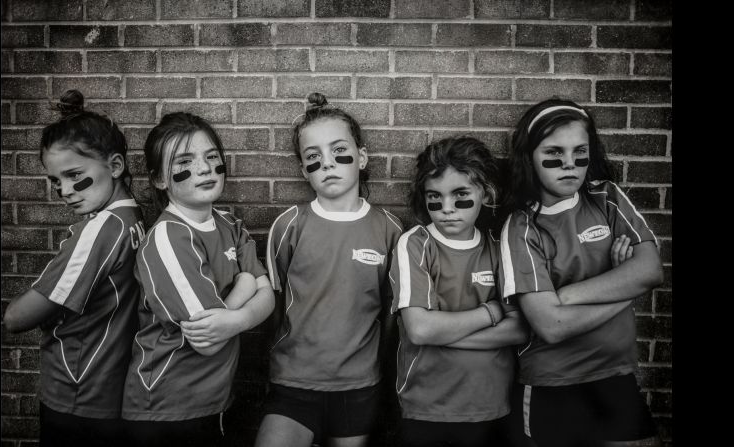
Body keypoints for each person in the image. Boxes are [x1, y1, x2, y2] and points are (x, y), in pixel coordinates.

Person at [500, 98, 664, 447]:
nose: (569, 165)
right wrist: (625, 286)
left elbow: (650, 269)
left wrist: (568, 295)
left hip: (615, 375)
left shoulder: (608, 198)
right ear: (529, 156)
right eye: (554, 153)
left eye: (580, 152)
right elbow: (551, 325)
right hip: (553, 384)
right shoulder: (521, 227)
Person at [254, 93, 403, 447]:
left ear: (362, 157)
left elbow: (391, 315)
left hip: (358, 386)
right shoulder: (289, 225)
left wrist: (373, 368)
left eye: (339, 151)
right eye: (313, 157)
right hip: (293, 383)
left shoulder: (390, 229)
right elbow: (272, 305)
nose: (328, 164)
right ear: (303, 169)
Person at [120, 112, 274, 446]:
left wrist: (240, 314)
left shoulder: (230, 224)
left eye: (211, 157)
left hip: (213, 402)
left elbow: (269, 296)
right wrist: (245, 286)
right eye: (185, 161)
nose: (204, 168)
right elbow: (208, 341)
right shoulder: (168, 238)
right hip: (167, 409)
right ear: (160, 179)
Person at [3, 89, 145, 446]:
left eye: (74, 175)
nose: (65, 190)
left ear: (115, 166)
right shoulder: (134, 215)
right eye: (55, 181)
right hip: (110, 389)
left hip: (77, 392)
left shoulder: (98, 230)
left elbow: (16, 319)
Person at [389, 135, 528, 447]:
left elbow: (520, 328)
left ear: (485, 192)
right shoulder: (416, 244)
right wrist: (491, 312)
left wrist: (447, 334)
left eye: (460, 195)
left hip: (493, 405)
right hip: (429, 408)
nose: (446, 209)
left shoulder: (498, 245)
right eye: (434, 198)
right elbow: (421, 330)